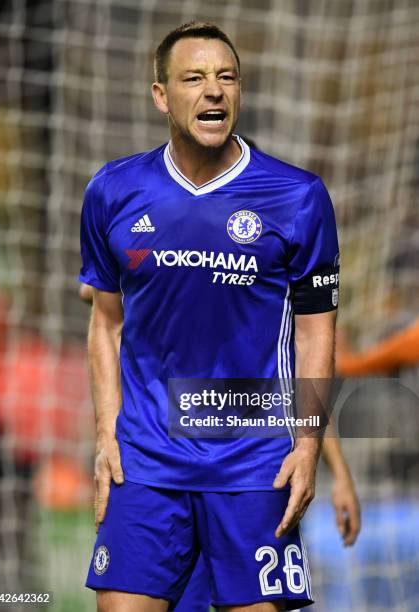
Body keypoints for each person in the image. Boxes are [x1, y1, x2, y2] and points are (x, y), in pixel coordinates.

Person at [80, 22, 342, 611]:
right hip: (146, 459)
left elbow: (316, 328)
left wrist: (308, 443)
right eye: (193, 78)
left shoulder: (298, 197)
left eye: (226, 77)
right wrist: (105, 436)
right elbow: (105, 322)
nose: (213, 91)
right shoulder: (113, 192)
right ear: (160, 95)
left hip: (254, 463)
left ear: (240, 92)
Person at [80, 281, 360, 611]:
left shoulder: (270, 302)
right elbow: (96, 292)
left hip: (248, 475)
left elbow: (298, 390)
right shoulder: (157, 269)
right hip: (163, 475)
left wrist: (338, 473)